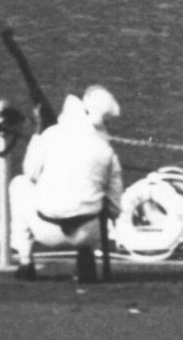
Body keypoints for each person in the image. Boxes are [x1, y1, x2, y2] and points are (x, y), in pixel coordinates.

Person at [11, 86, 124, 279]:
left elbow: (30, 173)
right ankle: (86, 252)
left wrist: (37, 133)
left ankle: (25, 262)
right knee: (98, 198)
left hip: (47, 231)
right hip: (89, 232)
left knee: (18, 184)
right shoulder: (107, 151)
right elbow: (115, 207)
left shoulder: (50, 135)